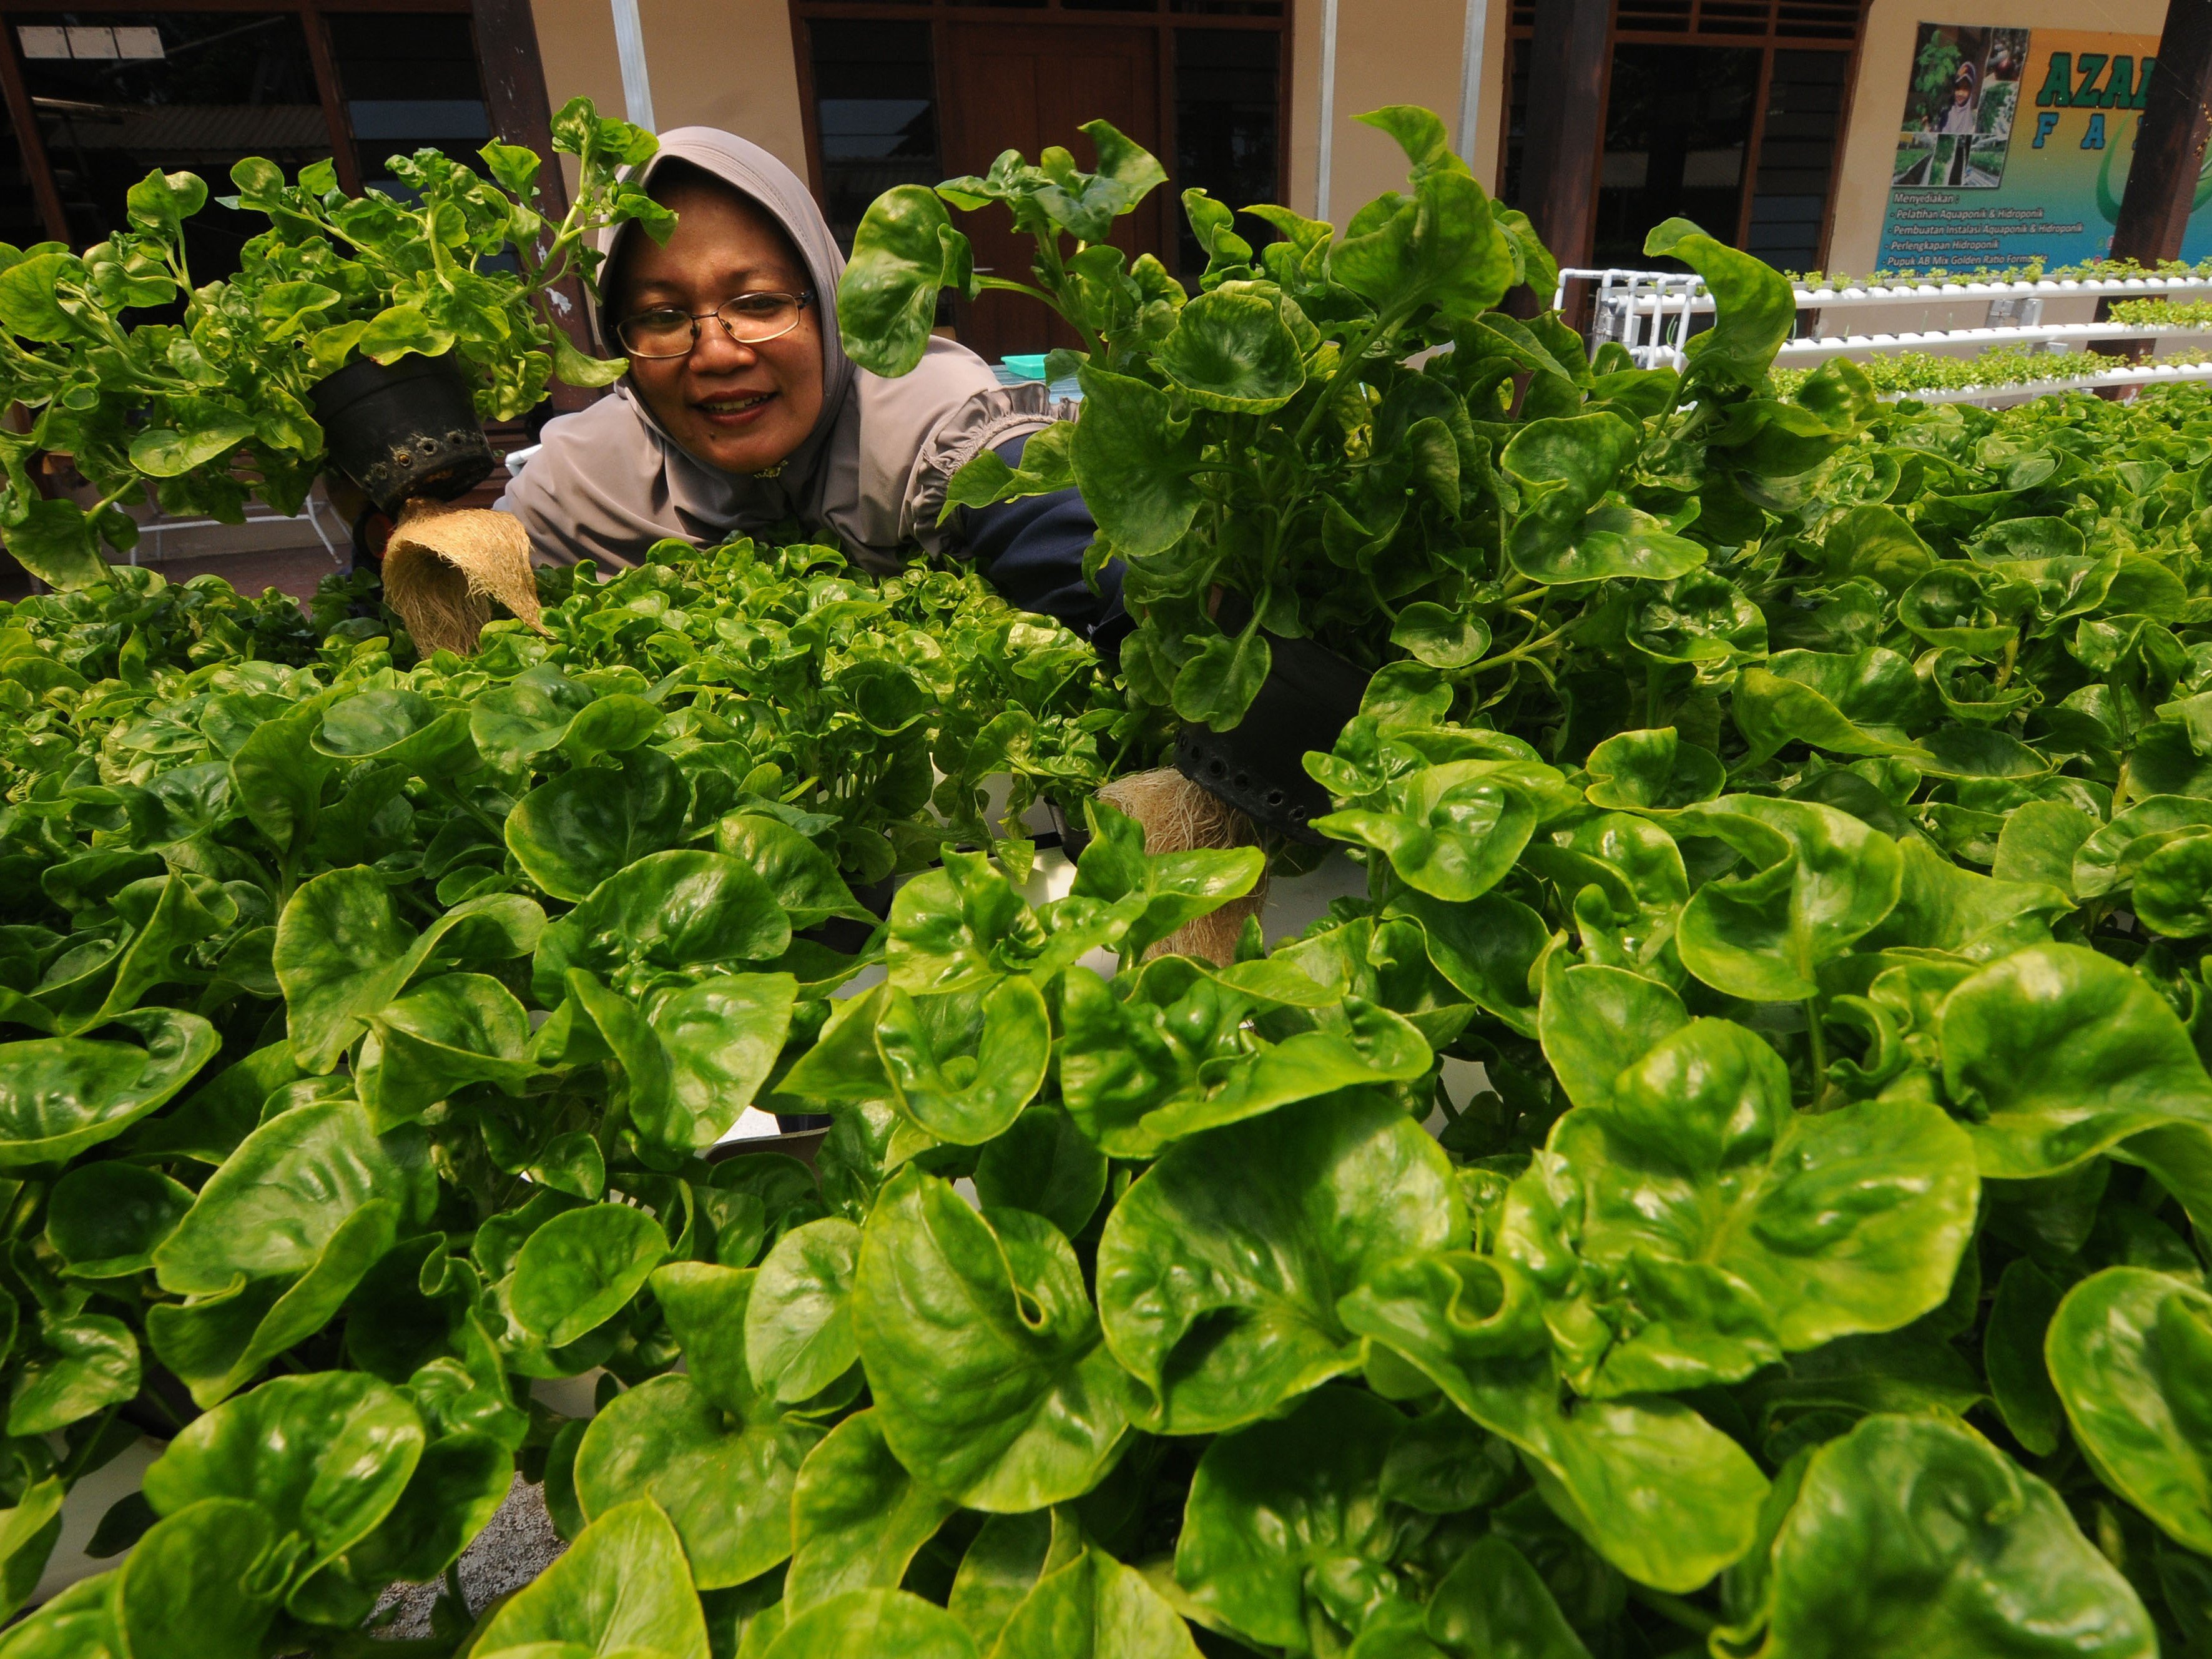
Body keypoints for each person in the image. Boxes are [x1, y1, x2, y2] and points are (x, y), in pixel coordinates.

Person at [496, 127, 1126, 659]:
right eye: (661, 316)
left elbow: (1061, 533)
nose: (717, 354)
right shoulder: (583, 487)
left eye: (759, 303)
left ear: (827, 301)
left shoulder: (928, 418)